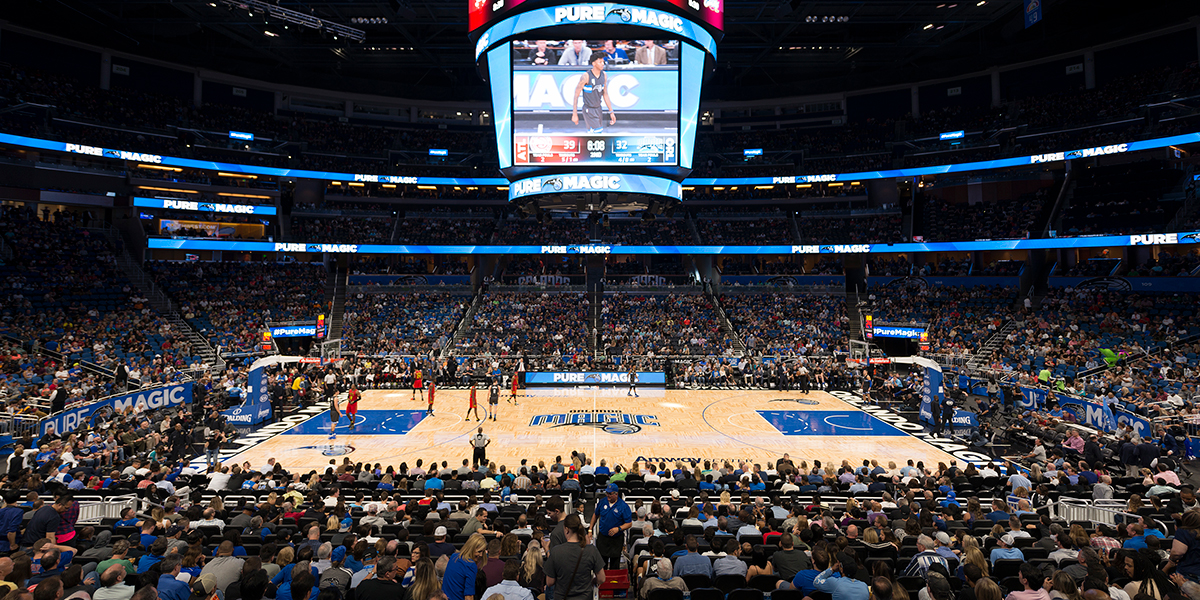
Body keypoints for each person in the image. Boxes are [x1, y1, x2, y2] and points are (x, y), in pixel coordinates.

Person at [544, 514, 604, 600]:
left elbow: (550, 582)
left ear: (567, 530)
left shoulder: (556, 551)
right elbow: (602, 578)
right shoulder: (591, 550)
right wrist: (594, 581)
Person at [590, 484, 632, 569]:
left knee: (614, 565)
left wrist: (619, 528)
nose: (607, 495)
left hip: (616, 540)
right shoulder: (602, 502)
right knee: (601, 564)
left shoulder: (623, 506)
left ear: (616, 494)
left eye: (610, 494)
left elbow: (629, 523)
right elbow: (595, 515)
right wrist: (590, 529)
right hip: (603, 538)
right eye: (607, 493)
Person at [571, 54, 617, 134]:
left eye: (603, 62)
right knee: (597, 132)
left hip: (598, 109)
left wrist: (611, 111)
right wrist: (574, 113)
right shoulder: (586, 76)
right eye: (600, 62)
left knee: (593, 134)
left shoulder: (604, 75)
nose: (602, 64)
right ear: (593, 63)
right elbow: (576, 95)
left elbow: (605, 94)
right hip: (589, 109)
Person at [444, 535, 488, 600]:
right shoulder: (471, 565)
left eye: (483, 552)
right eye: (479, 551)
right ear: (471, 548)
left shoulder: (454, 556)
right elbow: (469, 597)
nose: (481, 555)